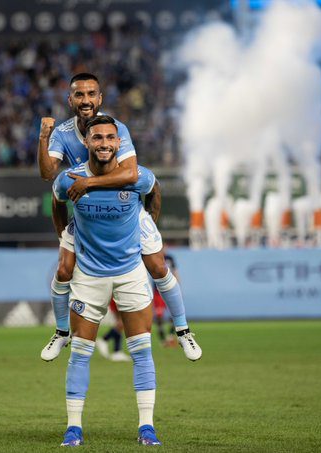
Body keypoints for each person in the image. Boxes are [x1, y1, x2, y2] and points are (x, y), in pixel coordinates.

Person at [38, 73, 201, 362]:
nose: (86, 100)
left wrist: (89, 184)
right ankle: (62, 332)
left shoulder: (114, 128)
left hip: (125, 209)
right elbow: (48, 174)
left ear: (100, 98)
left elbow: (130, 174)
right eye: (79, 95)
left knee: (159, 266)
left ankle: (183, 330)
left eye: (91, 94)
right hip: (89, 214)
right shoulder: (62, 132)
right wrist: (43, 137)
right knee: (63, 270)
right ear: (71, 100)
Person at [53, 115, 162, 446]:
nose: (103, 143)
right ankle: (73, 428)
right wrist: (64, 236)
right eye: (96, 137)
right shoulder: (68, 178)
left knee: (142, 350)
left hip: (129, 273)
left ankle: (147, 427)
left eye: (109, 138)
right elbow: (58, 201)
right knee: (81, 352)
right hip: (89, 275)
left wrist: (147, 226)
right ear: (86, 143)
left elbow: (155, 193)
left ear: (119, 143)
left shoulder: (136, 177)